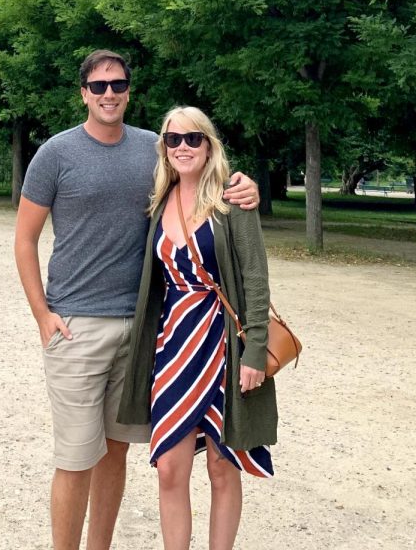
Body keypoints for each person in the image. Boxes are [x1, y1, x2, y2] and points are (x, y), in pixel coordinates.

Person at [14, 51, 260, 550]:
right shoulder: (55, 154)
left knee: (115, 454)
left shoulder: (156, 148)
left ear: (129, 90)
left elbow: (201, 170)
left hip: (146, 329)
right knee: (75, 457)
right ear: (83, 92)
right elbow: (24, 239)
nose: (109, 93)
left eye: (118, 84)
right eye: (98, 85)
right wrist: (43, 315)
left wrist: (244, 185)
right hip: (77, 325)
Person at [117, 106, 277, 550]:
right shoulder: (157, 201)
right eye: (173, 139)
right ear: (164, 148)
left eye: (193, 139)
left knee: (223, 467)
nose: (183, 147)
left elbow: (256, 279)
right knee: (170, 466)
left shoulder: (232, 200)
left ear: (208, 145)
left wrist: (255, 352)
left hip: (223, 343)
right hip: (173, 344)